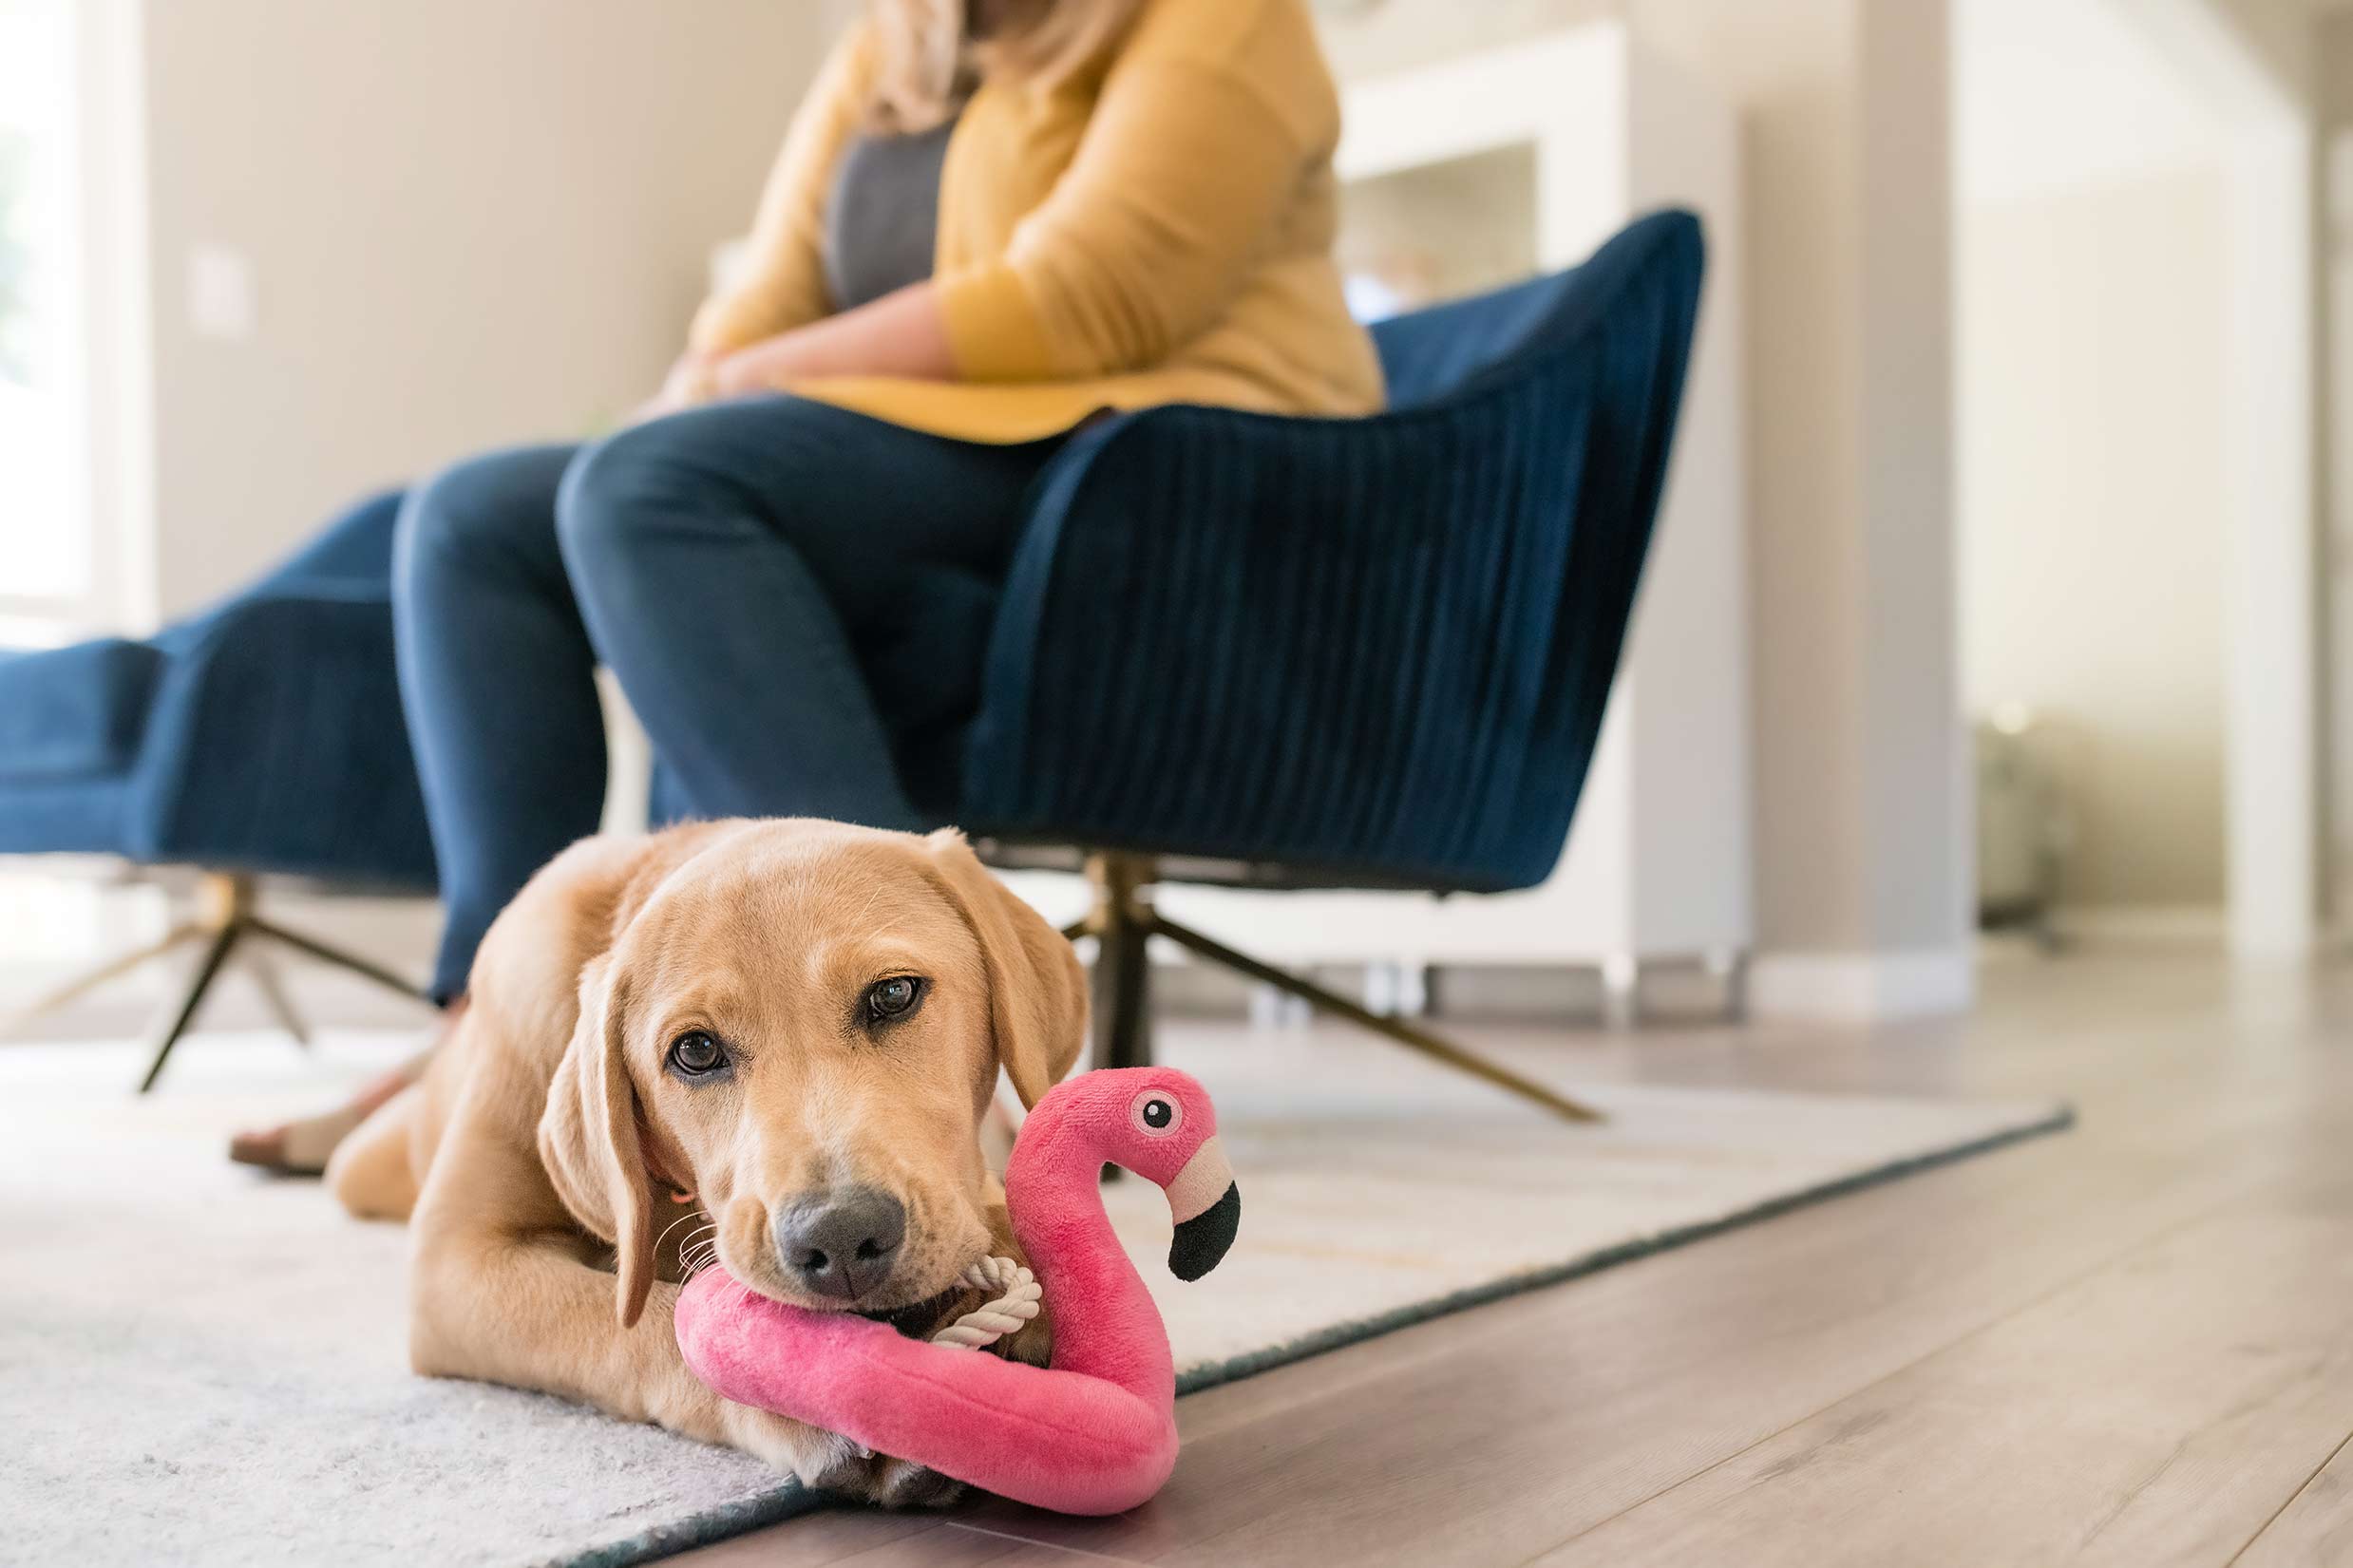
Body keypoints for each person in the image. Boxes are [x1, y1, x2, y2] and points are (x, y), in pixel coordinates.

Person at [230, 0, 1381, 1172]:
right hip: (941, 442)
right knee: (476, 517)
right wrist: (693, 388)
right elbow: (763, 298)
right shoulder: (893, 50)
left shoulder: (1225, 17)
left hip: (1150, 470)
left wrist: (739, 380)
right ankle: (483, 1041)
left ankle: (924, 1058)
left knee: (646, 491)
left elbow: (1090, 293)